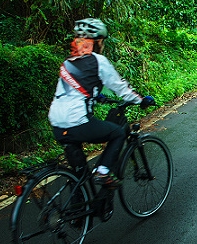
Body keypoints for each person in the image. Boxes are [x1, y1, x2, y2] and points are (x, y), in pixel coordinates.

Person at [48, 17, 155, 188]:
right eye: (102, 41)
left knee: (80, 175)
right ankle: (103, 172)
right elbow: (120, 88)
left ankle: (77, 211)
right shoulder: (98, 61)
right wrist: (141, 100)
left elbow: (73, 90)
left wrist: (96, 95)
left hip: (57, 124)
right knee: (118, 133)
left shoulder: (69, 62)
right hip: (78, 122)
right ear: (96, 41)